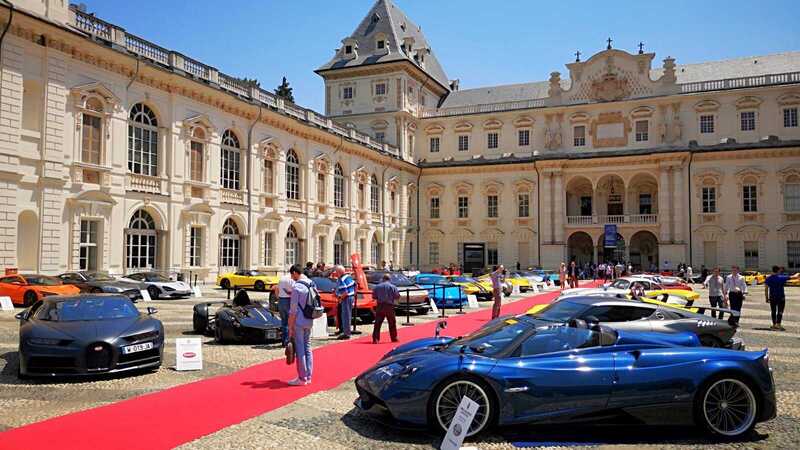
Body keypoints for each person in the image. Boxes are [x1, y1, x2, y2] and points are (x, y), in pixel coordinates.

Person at [287, 264, 314, 386]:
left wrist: (290, 326)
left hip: (299, 321)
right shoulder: (311, 283)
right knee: (308, 347)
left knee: (300, 349)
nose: (291, 278)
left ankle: (302, 378)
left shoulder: (297, 287)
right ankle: (309, 376)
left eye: (291, 275)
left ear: (295, 273)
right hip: (309, 319)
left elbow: (293, 310)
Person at [764, 266, 800, 331]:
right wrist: (798, 273)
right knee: (780, 311)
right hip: (781, 297)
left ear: (772, 270)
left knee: (773, 311)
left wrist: (766, 298)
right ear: (778, 271)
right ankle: (778, 324)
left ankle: (774, 324)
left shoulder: (768, 278)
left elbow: (766, 289)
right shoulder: (781, 277)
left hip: (772, 297)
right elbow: (794, 277)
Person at [372, 273, 400, 343]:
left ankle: (376, 339)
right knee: (392, 323)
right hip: (389, 306)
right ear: (389, 279)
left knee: (377, 323)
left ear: (383, 279)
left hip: (380, 305)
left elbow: (374, 296)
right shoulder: (393, 286)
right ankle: (394, 338)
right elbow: (397, 296)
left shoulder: (377, 287)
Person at [334, 265, 356, 340]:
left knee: (345, 316)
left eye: (336, 271)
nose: (335, 273)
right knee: (347, 315)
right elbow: (355, 285)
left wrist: (340, 298)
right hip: (350, 297)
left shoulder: (341, 279)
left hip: (346, 298)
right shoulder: (349, 277)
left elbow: (345, 292)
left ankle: (346, 333)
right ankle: (347, 331)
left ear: (339, 272)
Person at [275, 272, 295, 347]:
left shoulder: (282, 278)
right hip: (289, 300)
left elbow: (276, 289)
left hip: (281, 300)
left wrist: (278, 298)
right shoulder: (292, 280)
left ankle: (284, 341)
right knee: (290, 322)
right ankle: (288, 341)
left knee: (284, 322)